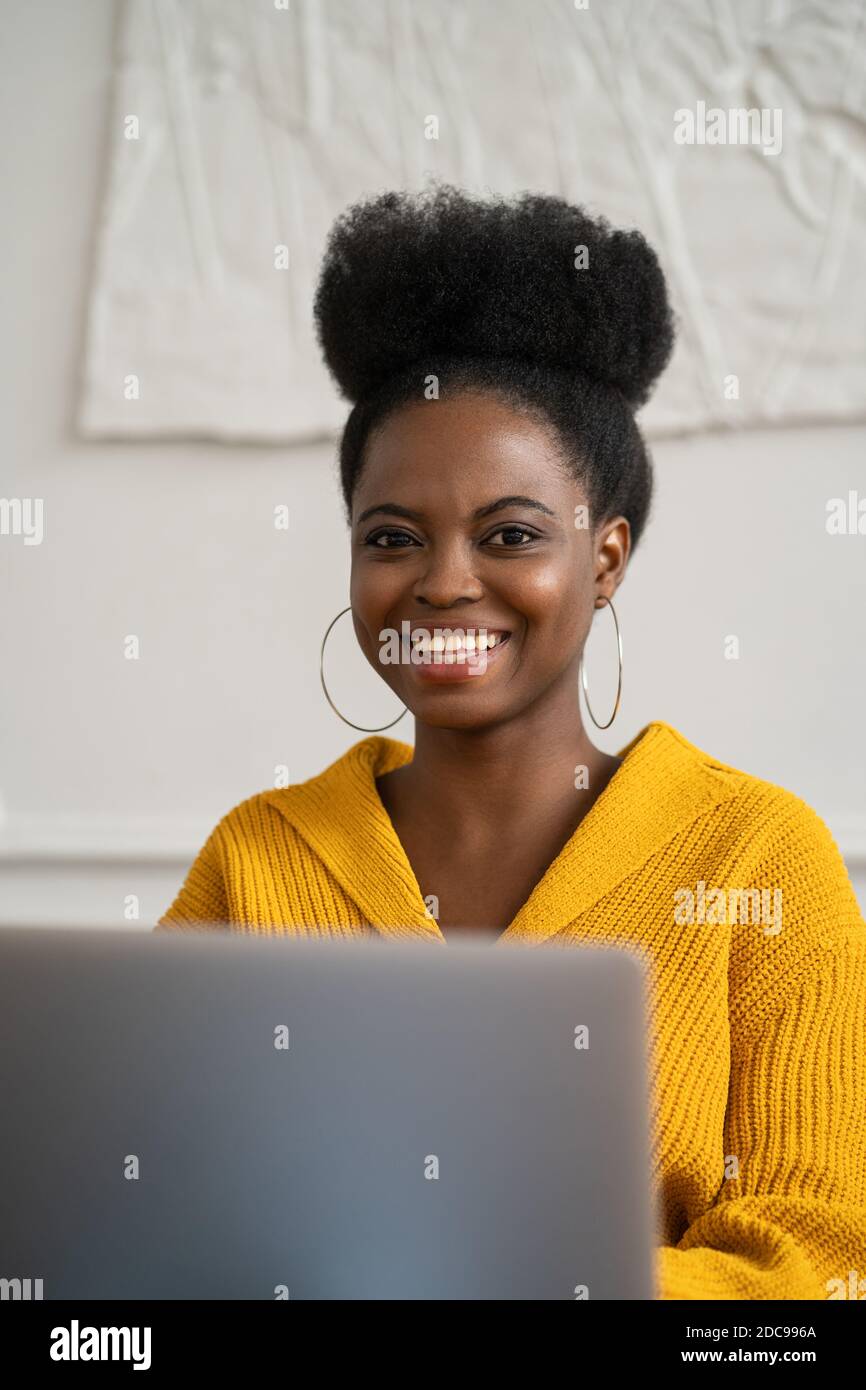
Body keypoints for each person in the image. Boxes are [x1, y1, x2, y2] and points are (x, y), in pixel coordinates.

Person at [157, 183, 866, 1301]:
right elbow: (142, 1202)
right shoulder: (259, 857)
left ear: (604, 557)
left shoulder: (757, 861)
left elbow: (813, 1282)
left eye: (510, 534)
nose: (442, 581)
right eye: (392, 536)